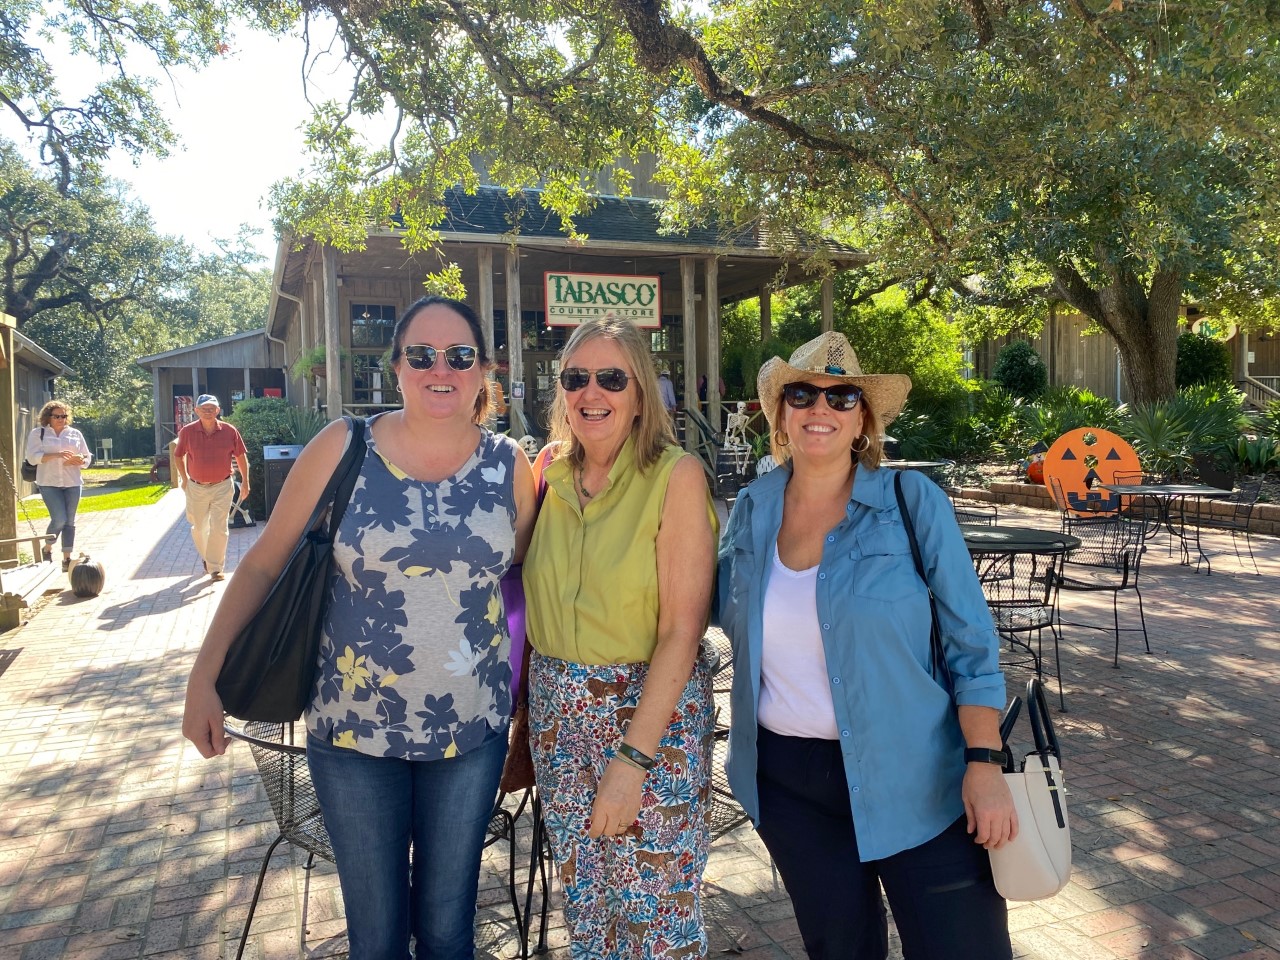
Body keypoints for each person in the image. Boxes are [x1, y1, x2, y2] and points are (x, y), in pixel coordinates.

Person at [183, 295, 536, 960]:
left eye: (459, 356)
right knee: (374, 938)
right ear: (396, 367)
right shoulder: (343, 447)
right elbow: (260, 567)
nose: (442, 368)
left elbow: (518, 580)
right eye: (421, 355)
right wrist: (203, 679)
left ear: (483, 370)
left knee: (446, 928)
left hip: (471, 733)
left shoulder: (508, 465)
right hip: (353, 734)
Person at [716, 331, 1015, 960]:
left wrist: (984, 765)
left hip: (919, 777)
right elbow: (700, 601)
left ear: (863, 419)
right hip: (790, 786)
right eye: (801, 394)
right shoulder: (750, 509)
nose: (819, 408)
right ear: (780, 415)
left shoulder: (911, 502)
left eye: (841, 395)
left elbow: (970, 639)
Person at [523, 315, 718, 960]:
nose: (591, 392)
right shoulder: (546, 474)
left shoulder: (674, 476)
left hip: (644, 718)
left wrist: (632, 761)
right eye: (575, 378)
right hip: (559, 722)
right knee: (589, 912)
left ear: (640, 394)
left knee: (653, 921)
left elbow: (683, 629)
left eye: (612, 377)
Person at [172, 395, 250, 580]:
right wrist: (184, 478)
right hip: (196, 487)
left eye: (211, 408)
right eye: (204, 408)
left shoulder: (230, 431)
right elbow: (178, 456)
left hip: (222, 486)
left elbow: (241, 457)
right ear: (196, 411)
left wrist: (246, 481)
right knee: (199, 527)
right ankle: (208, 558)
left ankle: (215, 567)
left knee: (219, 527)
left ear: (218, 410)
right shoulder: (187, 432)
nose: (208, 411)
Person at [25, 401, 92, 571]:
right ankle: (47, 548)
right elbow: (32, 458)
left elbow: (87, 457)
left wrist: (79, 460)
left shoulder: (75, 434)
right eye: (57, 416)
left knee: (70, 521)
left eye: (64, 416)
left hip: (73, 482)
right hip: (48, 483)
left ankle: (67, 559)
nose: (61, 419)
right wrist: (57, 455)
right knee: (59, 519)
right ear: (48, 417)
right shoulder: (38, 433)